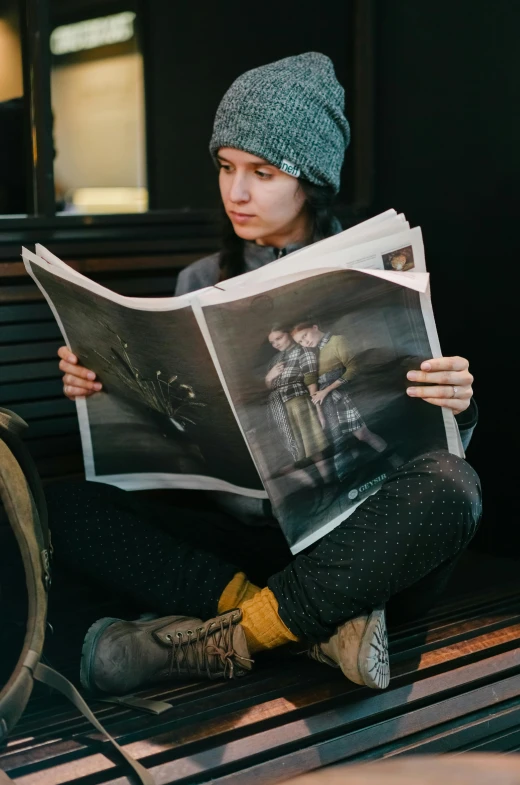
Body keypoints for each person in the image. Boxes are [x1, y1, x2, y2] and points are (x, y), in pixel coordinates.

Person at [51, 53, 480, 695]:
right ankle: (309, 627)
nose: (236, 193)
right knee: (58, 504)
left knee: (452, 488)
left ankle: (221, 641)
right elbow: (176, 440)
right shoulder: (199, 282)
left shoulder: (376, 278)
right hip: (235, 548)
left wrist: (458, 405)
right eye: (225, 167)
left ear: (311, 180)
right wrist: (105, 386)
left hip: (351, 549)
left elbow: (416, 436)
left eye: (262, 172)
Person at [291, 322, 397, 478]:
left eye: (304, 336)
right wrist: (319, 408)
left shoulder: (337, 341)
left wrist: (325, 391)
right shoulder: (311, 354)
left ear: (314, 327)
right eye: (300, 342)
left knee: (363, 435)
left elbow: (353, 369)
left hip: (340, 395)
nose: (304, 342)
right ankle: (354, 479)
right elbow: (311, 380)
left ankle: (397, 461)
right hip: (326, 402)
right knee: (340, 443)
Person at [265, 326, 330, 482]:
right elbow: (270, 385)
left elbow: (311, 380)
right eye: (272, 342)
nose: (276, 344)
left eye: (278, 338)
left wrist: (318, 409)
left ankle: (328, 480)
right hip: (280, 407)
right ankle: (316, 483)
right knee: (294, 448)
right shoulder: (275, 360)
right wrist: (269, 376)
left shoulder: (303, 351)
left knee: (313, 445)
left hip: (298, 402)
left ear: (288, 334)